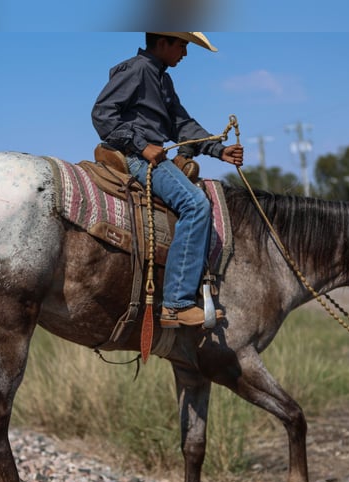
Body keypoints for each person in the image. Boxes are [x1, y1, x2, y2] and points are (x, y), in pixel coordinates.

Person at [92, 32, 244, 328]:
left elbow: (180, 123)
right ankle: (176, 303)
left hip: (147, 151)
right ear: (163, 42)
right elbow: (103, 115)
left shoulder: (162, 78)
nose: (185, 53)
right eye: (182, 45)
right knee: (196, 204)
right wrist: (141, 145)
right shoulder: (136, 69)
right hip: (135, 156)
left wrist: (218, 150)